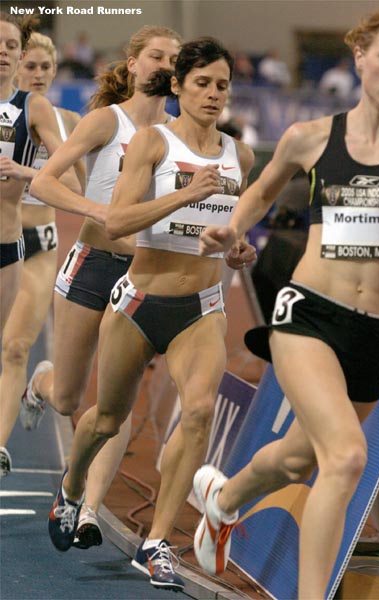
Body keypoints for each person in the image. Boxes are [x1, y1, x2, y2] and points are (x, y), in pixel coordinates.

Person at [193, 7, 379, 600]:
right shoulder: (309, 137)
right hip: (309, 316)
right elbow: (258, 194)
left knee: (296, 459)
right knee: (345, 457)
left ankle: (225, 500)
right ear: (358, 56)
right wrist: (231, 231)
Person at [44, 37, 255, 592]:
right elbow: (117, 223)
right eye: (203, 83)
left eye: (222, 85)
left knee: (200, 410)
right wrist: (184, 196)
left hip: (202, 307)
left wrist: (237, 249)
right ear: (179, 87)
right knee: (105, 419)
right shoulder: (151, 144)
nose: (213, 94)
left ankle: (157, 541)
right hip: (138, 301)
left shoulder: (241, 155)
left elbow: (229, 232)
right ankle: (70, 488)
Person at [24, 25, 183, 549]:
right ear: (133, 64)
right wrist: (103, 212)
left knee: (116, 402)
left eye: (174, 59)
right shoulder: (104, 121)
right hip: (93, 262)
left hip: (143, 276)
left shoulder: (182, 134)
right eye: (156, 56)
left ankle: (86, 507)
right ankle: (40, 383)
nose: (165, 65)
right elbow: (45, 181)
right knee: (70, 395)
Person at [0, 31, 83, 477]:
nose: (35, 74)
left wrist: (26, 172)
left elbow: (78, 186)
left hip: (34, 246)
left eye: (43, 68)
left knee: (14, 347)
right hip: (8, 235)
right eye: (28, 65)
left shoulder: (65, 120)